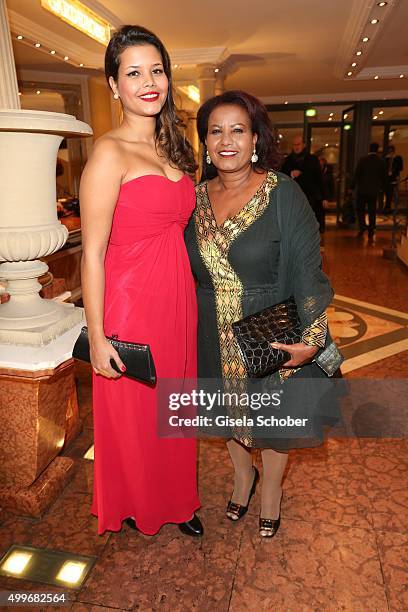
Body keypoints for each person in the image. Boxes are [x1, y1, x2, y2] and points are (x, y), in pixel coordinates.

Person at [185, 91, 343, 538]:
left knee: (272, 420)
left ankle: (270, 491)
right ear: (206, 143)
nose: (226, 140)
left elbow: (306, 265)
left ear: (255, 138)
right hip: (210, 326)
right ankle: (242, 477)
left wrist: (311, 338)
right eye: (216, 131)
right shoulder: (193, 199)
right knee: (229, 416)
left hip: (268, 324)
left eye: (238, 129)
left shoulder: (283, 193)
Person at [80, 25, 202, 537]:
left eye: (157, 70)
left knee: (177, 406)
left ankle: (177, 499)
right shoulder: (108, 153)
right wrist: (98, 338)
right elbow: (91, 253)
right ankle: (137, 502)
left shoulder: (174, 150)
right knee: (135, 416)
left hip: (178, 301)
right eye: (134, 72)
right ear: (113, 85)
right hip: (129, 306)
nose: (149, 82)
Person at [281, 136, 326, 233]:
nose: (296, 147)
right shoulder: (287, 160)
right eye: (294, 145)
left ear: (303, 145)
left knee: (308, 220)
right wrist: (291, 174)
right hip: (292, 196)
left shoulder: (312, 159)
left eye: (298, 144)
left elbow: (319, 178)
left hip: (310, 195)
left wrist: (324, 197)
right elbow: (282, 176)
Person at [351, 142, 387, 240]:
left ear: (369, 149)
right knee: (372, 211)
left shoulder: (363, 160)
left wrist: (352, 187)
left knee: (360, 210)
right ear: (377, 149)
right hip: (373, 191)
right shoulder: (381, 161)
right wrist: (383, 189)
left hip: (362, 190)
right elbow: (384, 177)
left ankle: (362, 227)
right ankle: (371, 230)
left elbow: (357, 174)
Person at [384, 144, 403, 213]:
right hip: (387, 178)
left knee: (392, 193)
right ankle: (387, 207)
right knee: (388, 193)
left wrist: (394, 172)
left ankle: (390, 207)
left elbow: (400, 168)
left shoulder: (398, 157)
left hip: (394, 177)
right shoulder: (386, 158)